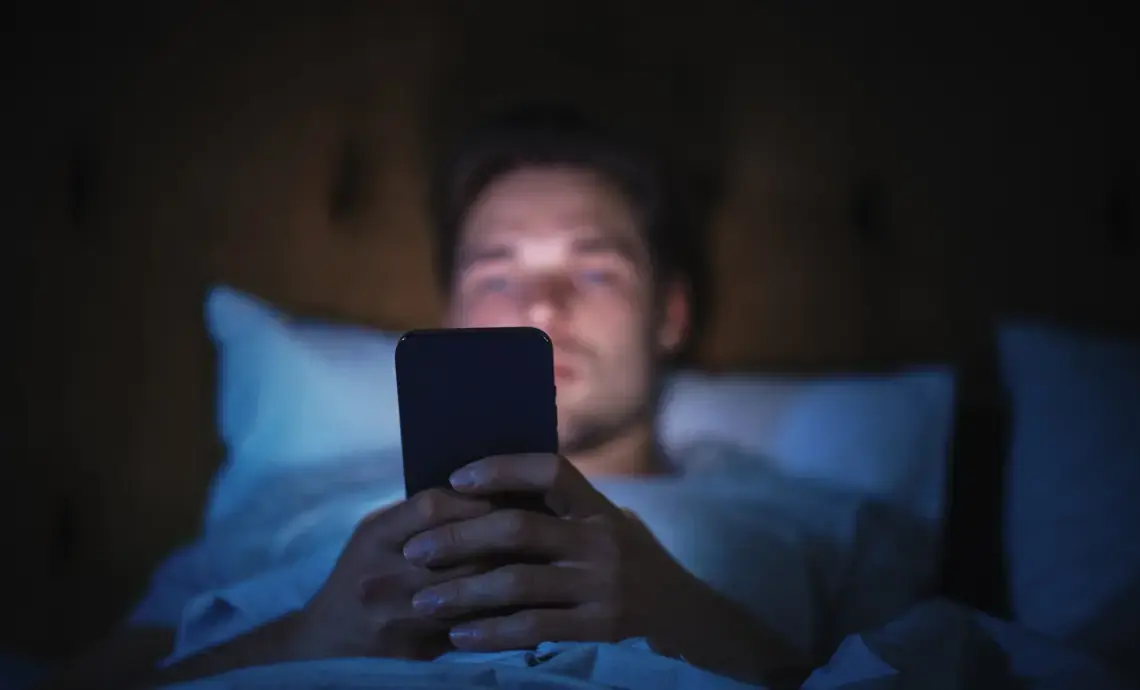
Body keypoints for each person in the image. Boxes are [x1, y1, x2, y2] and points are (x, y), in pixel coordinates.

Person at [40, 104, 814, 689]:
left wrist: (692, 621)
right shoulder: (291, 505)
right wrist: (302, 642)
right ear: (451, 312)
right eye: (498, 274)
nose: (543, 308)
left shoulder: (807, 520)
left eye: (594, 272)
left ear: (671, 313)